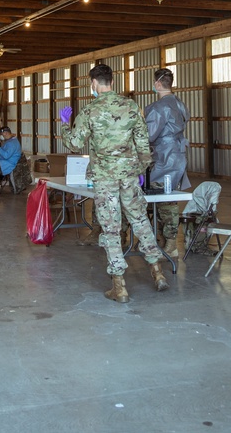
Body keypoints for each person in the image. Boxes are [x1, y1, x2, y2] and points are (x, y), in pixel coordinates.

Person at [59, 63, 169, 303]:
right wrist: (139, 170)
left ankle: (119, 286)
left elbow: (75, 144)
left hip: (105, 179)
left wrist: (64, 126)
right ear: (112, 81)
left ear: (94, 83)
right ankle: (158, 273)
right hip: (129, 176)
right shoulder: (131, 107)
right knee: (140, 220)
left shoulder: (90, 111)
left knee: (111, 228)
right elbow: (143, 145)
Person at [144, 67, 191, 258]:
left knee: (160, 198)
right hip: (177, 155)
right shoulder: (180, 104)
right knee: (169, 196)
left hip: (164, 156)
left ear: (157, 84)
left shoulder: (159, 107)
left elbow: (149, 134)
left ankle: (168, 243)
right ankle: (165, 239)